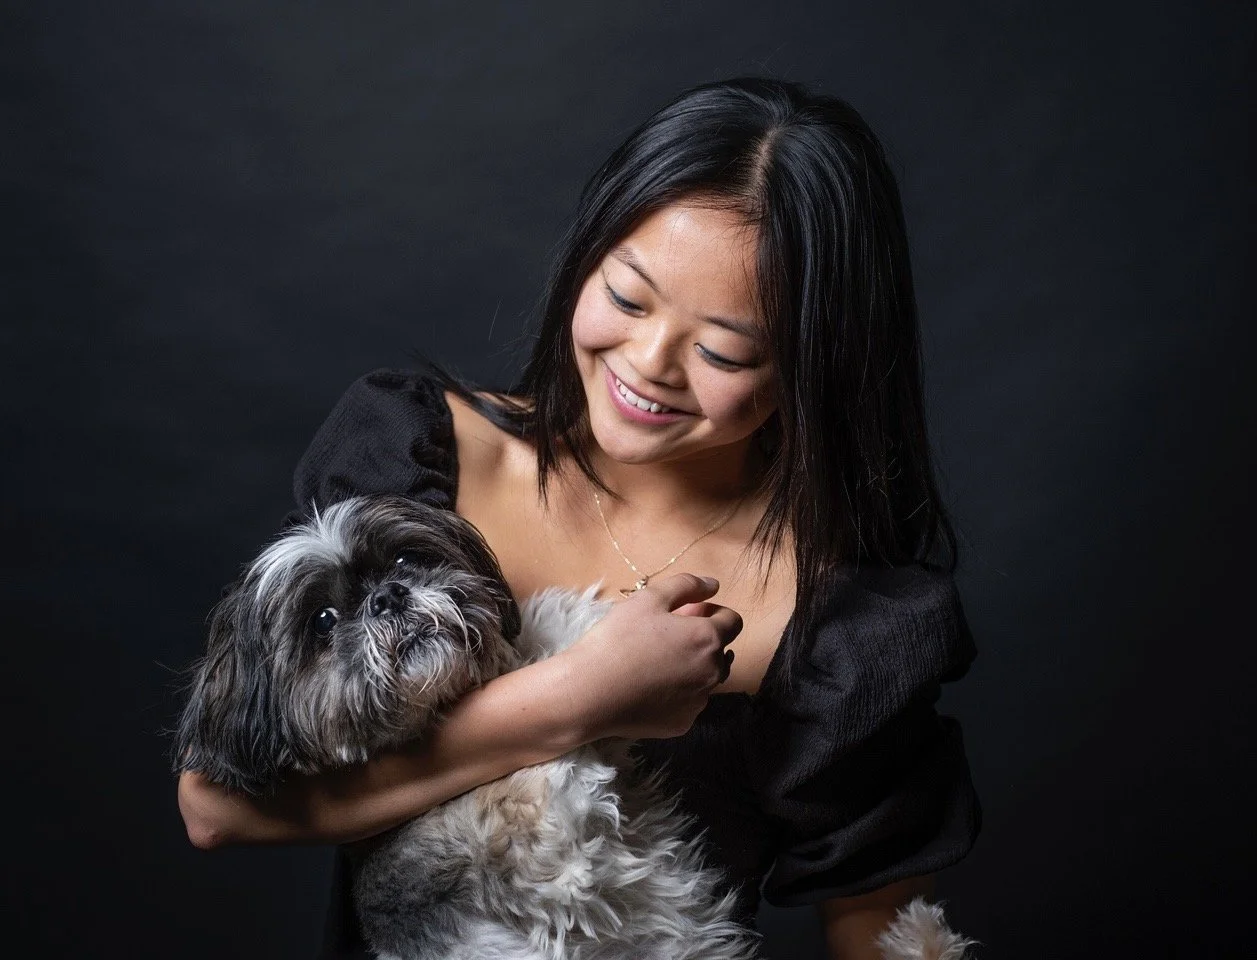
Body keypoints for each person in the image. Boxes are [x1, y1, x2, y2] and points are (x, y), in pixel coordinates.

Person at [177, 76, 981, 959]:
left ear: (809, 370)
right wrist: (580, 696)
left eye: (722, 350)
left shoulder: (848, 626)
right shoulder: (415, 463)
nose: (648, 363)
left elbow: (879, 922)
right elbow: (216, 807)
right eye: (628, 298)